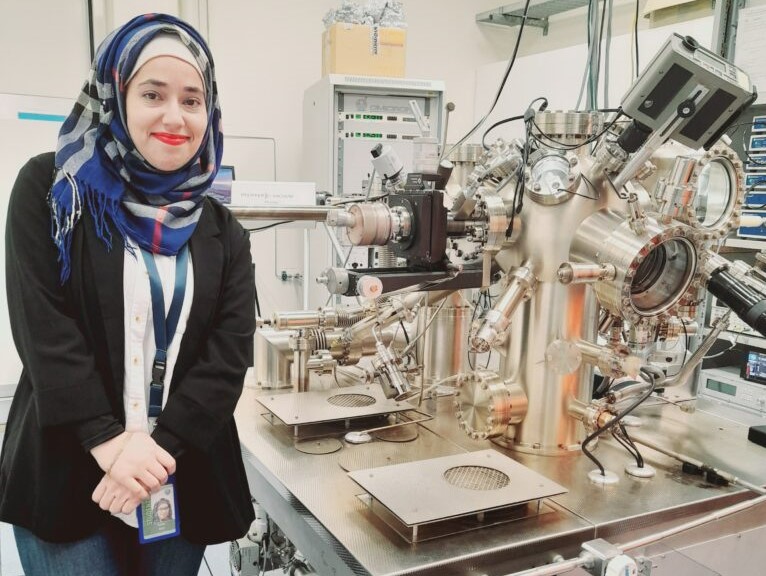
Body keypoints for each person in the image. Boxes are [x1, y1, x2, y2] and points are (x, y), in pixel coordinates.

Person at [0, 13, 255, 576]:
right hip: (66, 469)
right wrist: (111, 446)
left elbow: (227, 356)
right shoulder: (52, 189)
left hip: (177, 472)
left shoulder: (222, 231)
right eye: (152, 94)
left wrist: (154, 455)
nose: (175, 116)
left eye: (192, 100)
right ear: (116, 97)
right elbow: (45, 331)